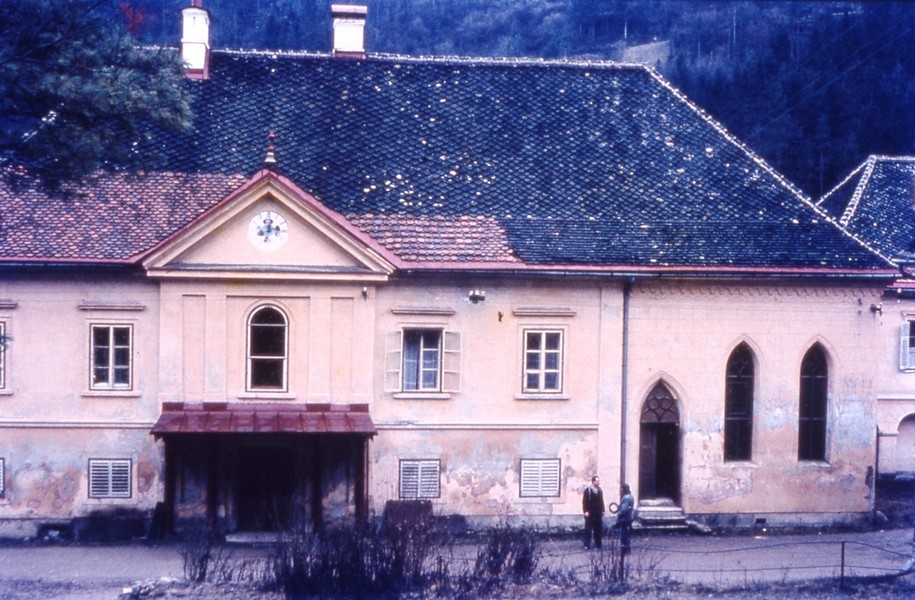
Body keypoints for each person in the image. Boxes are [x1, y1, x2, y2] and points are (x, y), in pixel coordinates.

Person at [582, 475, 605, 549]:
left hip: (598, 513)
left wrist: (603, 510)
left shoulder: (600, 490)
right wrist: (585, 511)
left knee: (598, 529)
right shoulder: (588, 490)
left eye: (599, 481)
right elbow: (584, 501)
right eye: (597, 481)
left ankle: (598, 544)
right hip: (590, 512)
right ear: (593, 481)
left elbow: (601, 501)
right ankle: (586, 544)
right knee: (588, 529)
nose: (598, 482)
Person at [617, 482, 635, 555]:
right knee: (627, 534)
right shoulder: (631, 496)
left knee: (624, 535)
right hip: (629, 517)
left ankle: (624, 550)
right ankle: (628, 549)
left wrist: (619, 512)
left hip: (624, 519)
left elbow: (624, 509)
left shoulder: (626, 498)